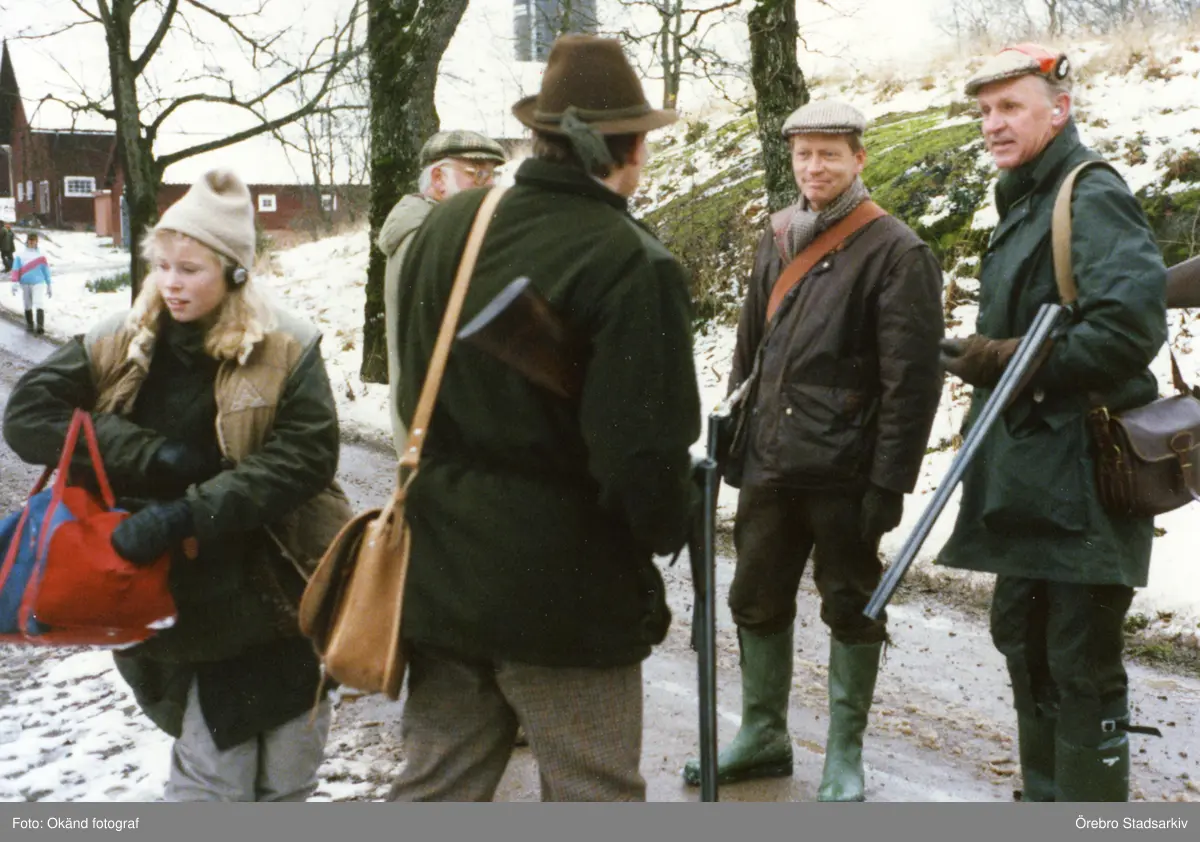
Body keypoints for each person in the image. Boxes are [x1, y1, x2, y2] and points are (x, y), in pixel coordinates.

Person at [386, 34, 699, 802]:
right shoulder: (632, 261)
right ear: (629, 147)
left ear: (542, 136)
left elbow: (410, 387)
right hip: (569, 591)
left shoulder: (448, 228)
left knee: (433, 792)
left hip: (442, 571)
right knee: (594, 797)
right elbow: (640, 460)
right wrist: (671, 523)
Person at [2, 169, 351, 802]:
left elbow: (305, 458)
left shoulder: (286, 346)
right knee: (213, 777)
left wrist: (185, 514)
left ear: (234, 271)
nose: (170, 283)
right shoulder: (120, 337)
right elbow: (26, 418)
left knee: (289, 773)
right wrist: (146, 453)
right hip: (171, 593)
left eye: (189, 269)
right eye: (161, 265)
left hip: (275, 583)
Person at [682, 99, 944, 801]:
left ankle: (844, 756)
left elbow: (912, 384)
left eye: (829, 153)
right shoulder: (777, 236)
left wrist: (889, 483)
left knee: (851, 604)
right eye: (804, 154)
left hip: (846, 473)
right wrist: (735, 446)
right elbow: (749, 352)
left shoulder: (898, 251)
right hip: (770, 462)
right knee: (755, 597)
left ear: (859, 158)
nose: (815, 167)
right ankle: (763, 735)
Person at [937, 45, 1168, 803]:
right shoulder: (1025, 198)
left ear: (1059, 109)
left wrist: (1005, 358)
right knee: (1024, 640)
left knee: (1078, 660)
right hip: (1029, 476)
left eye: (1011, 107)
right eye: (985, 111)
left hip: (1084, 480)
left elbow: (1129, 331)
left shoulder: (1088, 192)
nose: (993, 124)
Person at [377, 130, 507, 456]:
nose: (490, 185)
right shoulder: (426, 240)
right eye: (478, 174)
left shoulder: (439, 232)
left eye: (494, 175)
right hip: (442, 437)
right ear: (438, 179)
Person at [10, 231, 51, 334]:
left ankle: (40, 326)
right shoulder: (20, 255)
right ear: (27, 241)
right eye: (30, 240)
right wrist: (14, 282)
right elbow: (15, 269)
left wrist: (49, 284)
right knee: (27, 304)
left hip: (38, 282)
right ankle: (30, 324)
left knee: (38, 302)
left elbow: (46, 270)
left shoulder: (41, 256)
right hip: (25, 283)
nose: (32, 242)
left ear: (37, 242)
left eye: (34, 240)